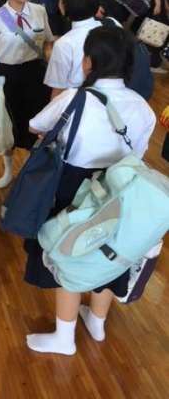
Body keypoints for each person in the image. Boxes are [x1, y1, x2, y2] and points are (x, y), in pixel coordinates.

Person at [25, 25, 156, 356]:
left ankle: (64, 337)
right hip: (121, 188)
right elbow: (138, 153)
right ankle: (97, 322)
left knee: (69, 253)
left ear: (88, 62)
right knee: (110, 250)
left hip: (74, 188)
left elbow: (36, 125)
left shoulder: (75, 98)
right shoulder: (142, 107)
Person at [0, 0, 54, 187]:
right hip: (7, 76)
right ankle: (8, 169)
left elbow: (48, 42)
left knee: (37, 123)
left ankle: (31, 169)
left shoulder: (39, 10)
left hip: (35, 74)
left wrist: (53, 62)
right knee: (8, 127)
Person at [44, 0, 105, 99]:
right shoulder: (112, 26)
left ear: (63, 5)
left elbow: (58, 91)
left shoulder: (64, 44)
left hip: (78, 102)